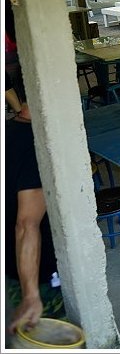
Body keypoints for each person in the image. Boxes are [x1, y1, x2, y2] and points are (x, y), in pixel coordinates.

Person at [5, 102, 65, 336]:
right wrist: (31, 294)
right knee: (50, 336)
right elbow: (26, 224)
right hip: (38, 276)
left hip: (12, 267)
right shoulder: (37, 146)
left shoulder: (8, 130)